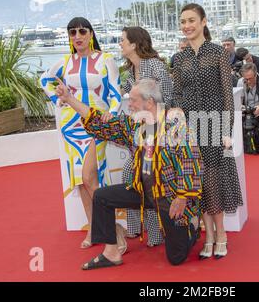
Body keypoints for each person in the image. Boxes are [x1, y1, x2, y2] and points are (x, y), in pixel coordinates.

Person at [55, 78, 203, 269]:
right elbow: (97, 121)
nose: (129, 104)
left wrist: (183, 197)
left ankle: (191, 227)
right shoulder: (135, 125)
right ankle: (111, 253)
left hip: (170, 196)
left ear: (148, 102)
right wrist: (69, 98)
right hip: (142, 191)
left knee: (176, 257)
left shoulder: (177, 125)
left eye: (133, 100)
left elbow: (191, 162)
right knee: (101, 196)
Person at [39, 17, 121, 249]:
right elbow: (44, 79)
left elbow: (115, 93)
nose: (77, 36)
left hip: (96, 125)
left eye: (82, 31)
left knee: (89, 176)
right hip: (71, 127)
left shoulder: (106, 60)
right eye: (72, 32)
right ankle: (95, 229)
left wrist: (112, 114)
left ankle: (114, 228)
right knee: (81, 181)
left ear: (91, 33)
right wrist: (58, 97)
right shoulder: (65, 62)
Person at [172, 3, 243, 259]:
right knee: (198, 182)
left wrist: (227, 129)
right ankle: (208, 235)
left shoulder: (217, 53)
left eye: (191, 20)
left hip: (215, 124)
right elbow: (177, 93)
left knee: (215, 181)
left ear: (203, 22)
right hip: (191, 126)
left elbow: (227, 94)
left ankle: (221, 233)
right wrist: (178, 119)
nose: (187, 26)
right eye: (183, 22)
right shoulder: (178, 58)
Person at [119, 26, 174, 247]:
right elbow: (121, 94)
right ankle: (136, 228)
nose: (120, 43)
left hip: (158, 132)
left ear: (134, 44)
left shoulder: (155, 66)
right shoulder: (129, 71)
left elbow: (168, 97)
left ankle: (155, 233)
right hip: (140, 133)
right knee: (131, 175)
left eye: (122, 40)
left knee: (149, 179)